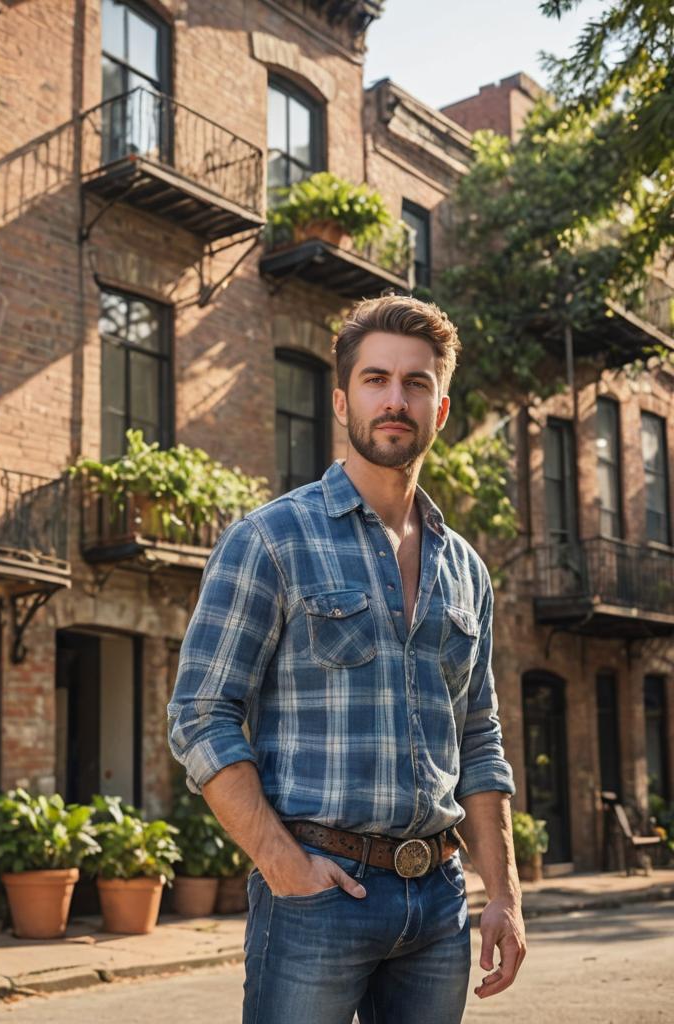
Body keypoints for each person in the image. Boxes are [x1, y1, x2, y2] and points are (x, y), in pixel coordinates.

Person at [167, 295, 526, 1024]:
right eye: (375, 379)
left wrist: (506, 895)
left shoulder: (467, 571)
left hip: (439, 904)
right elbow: (201, 714)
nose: (396, 399)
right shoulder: (271, 539)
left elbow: (480, 737)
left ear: (441, 408)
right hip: (317, 897)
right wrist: (281, 864)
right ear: (342, 400)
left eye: (416, 383)